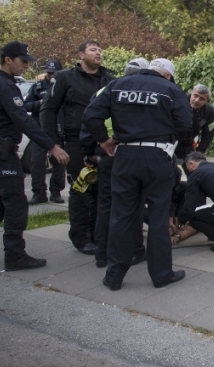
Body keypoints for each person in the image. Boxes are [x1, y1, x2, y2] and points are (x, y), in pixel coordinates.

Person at [83, 57, 191, 291]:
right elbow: (184, 124)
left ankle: (114, 276)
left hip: (125, 156)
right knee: (158, 217)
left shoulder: (118, 85)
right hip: (158, 157)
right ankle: (161, 274)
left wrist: (104, 141)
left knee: (121, 215)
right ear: (167, 75)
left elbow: (91, 116)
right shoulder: (171, 90)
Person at [0, 42, 69, 270]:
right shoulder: (4, 85)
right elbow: (23, 118)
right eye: (22, 61)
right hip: (0, 151)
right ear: (8, 59)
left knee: (1, 201)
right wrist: (51, 146)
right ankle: (15, 255)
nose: (25, 66)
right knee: (17, 203)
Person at [40, 41, 114, 255]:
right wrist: (52, 145)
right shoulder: (64, 78)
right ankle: (81, 238)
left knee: (101, 192)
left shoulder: (109, 79)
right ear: (81, 54)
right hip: (75, 142)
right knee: (81, 189)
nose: (98, 53)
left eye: (100, 50)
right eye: (93, 50)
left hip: (102, 144)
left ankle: (99, 235)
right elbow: (48, 110)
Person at [81, 58, 148, 268]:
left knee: (106, 204)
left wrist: (99, 145)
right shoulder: (143, 93)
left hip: (106, 154)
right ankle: (136, 249)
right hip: (129, 153)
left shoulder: (106, 90)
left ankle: (102, 254)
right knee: (134, 203)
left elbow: (89, 119)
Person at [24, 59, 66, 204]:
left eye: (54, 73)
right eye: (49, 73)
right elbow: (26, 105)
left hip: (58, 129)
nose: (51, 76)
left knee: (59, 163)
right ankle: (39, 193)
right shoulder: (37, 86)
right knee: (37, 162)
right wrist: (40, 104)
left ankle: (56, 192)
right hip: (40, 130)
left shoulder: (65, 86)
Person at [175, 84, 214, 159]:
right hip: (171, 141)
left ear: (207, 101)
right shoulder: (178, 102)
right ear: (191, 93)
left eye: (202, 99)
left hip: (188, 144)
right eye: (195, 96)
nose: (197, 100)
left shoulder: (210, 112)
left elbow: (208, 135)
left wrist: (199, 152)